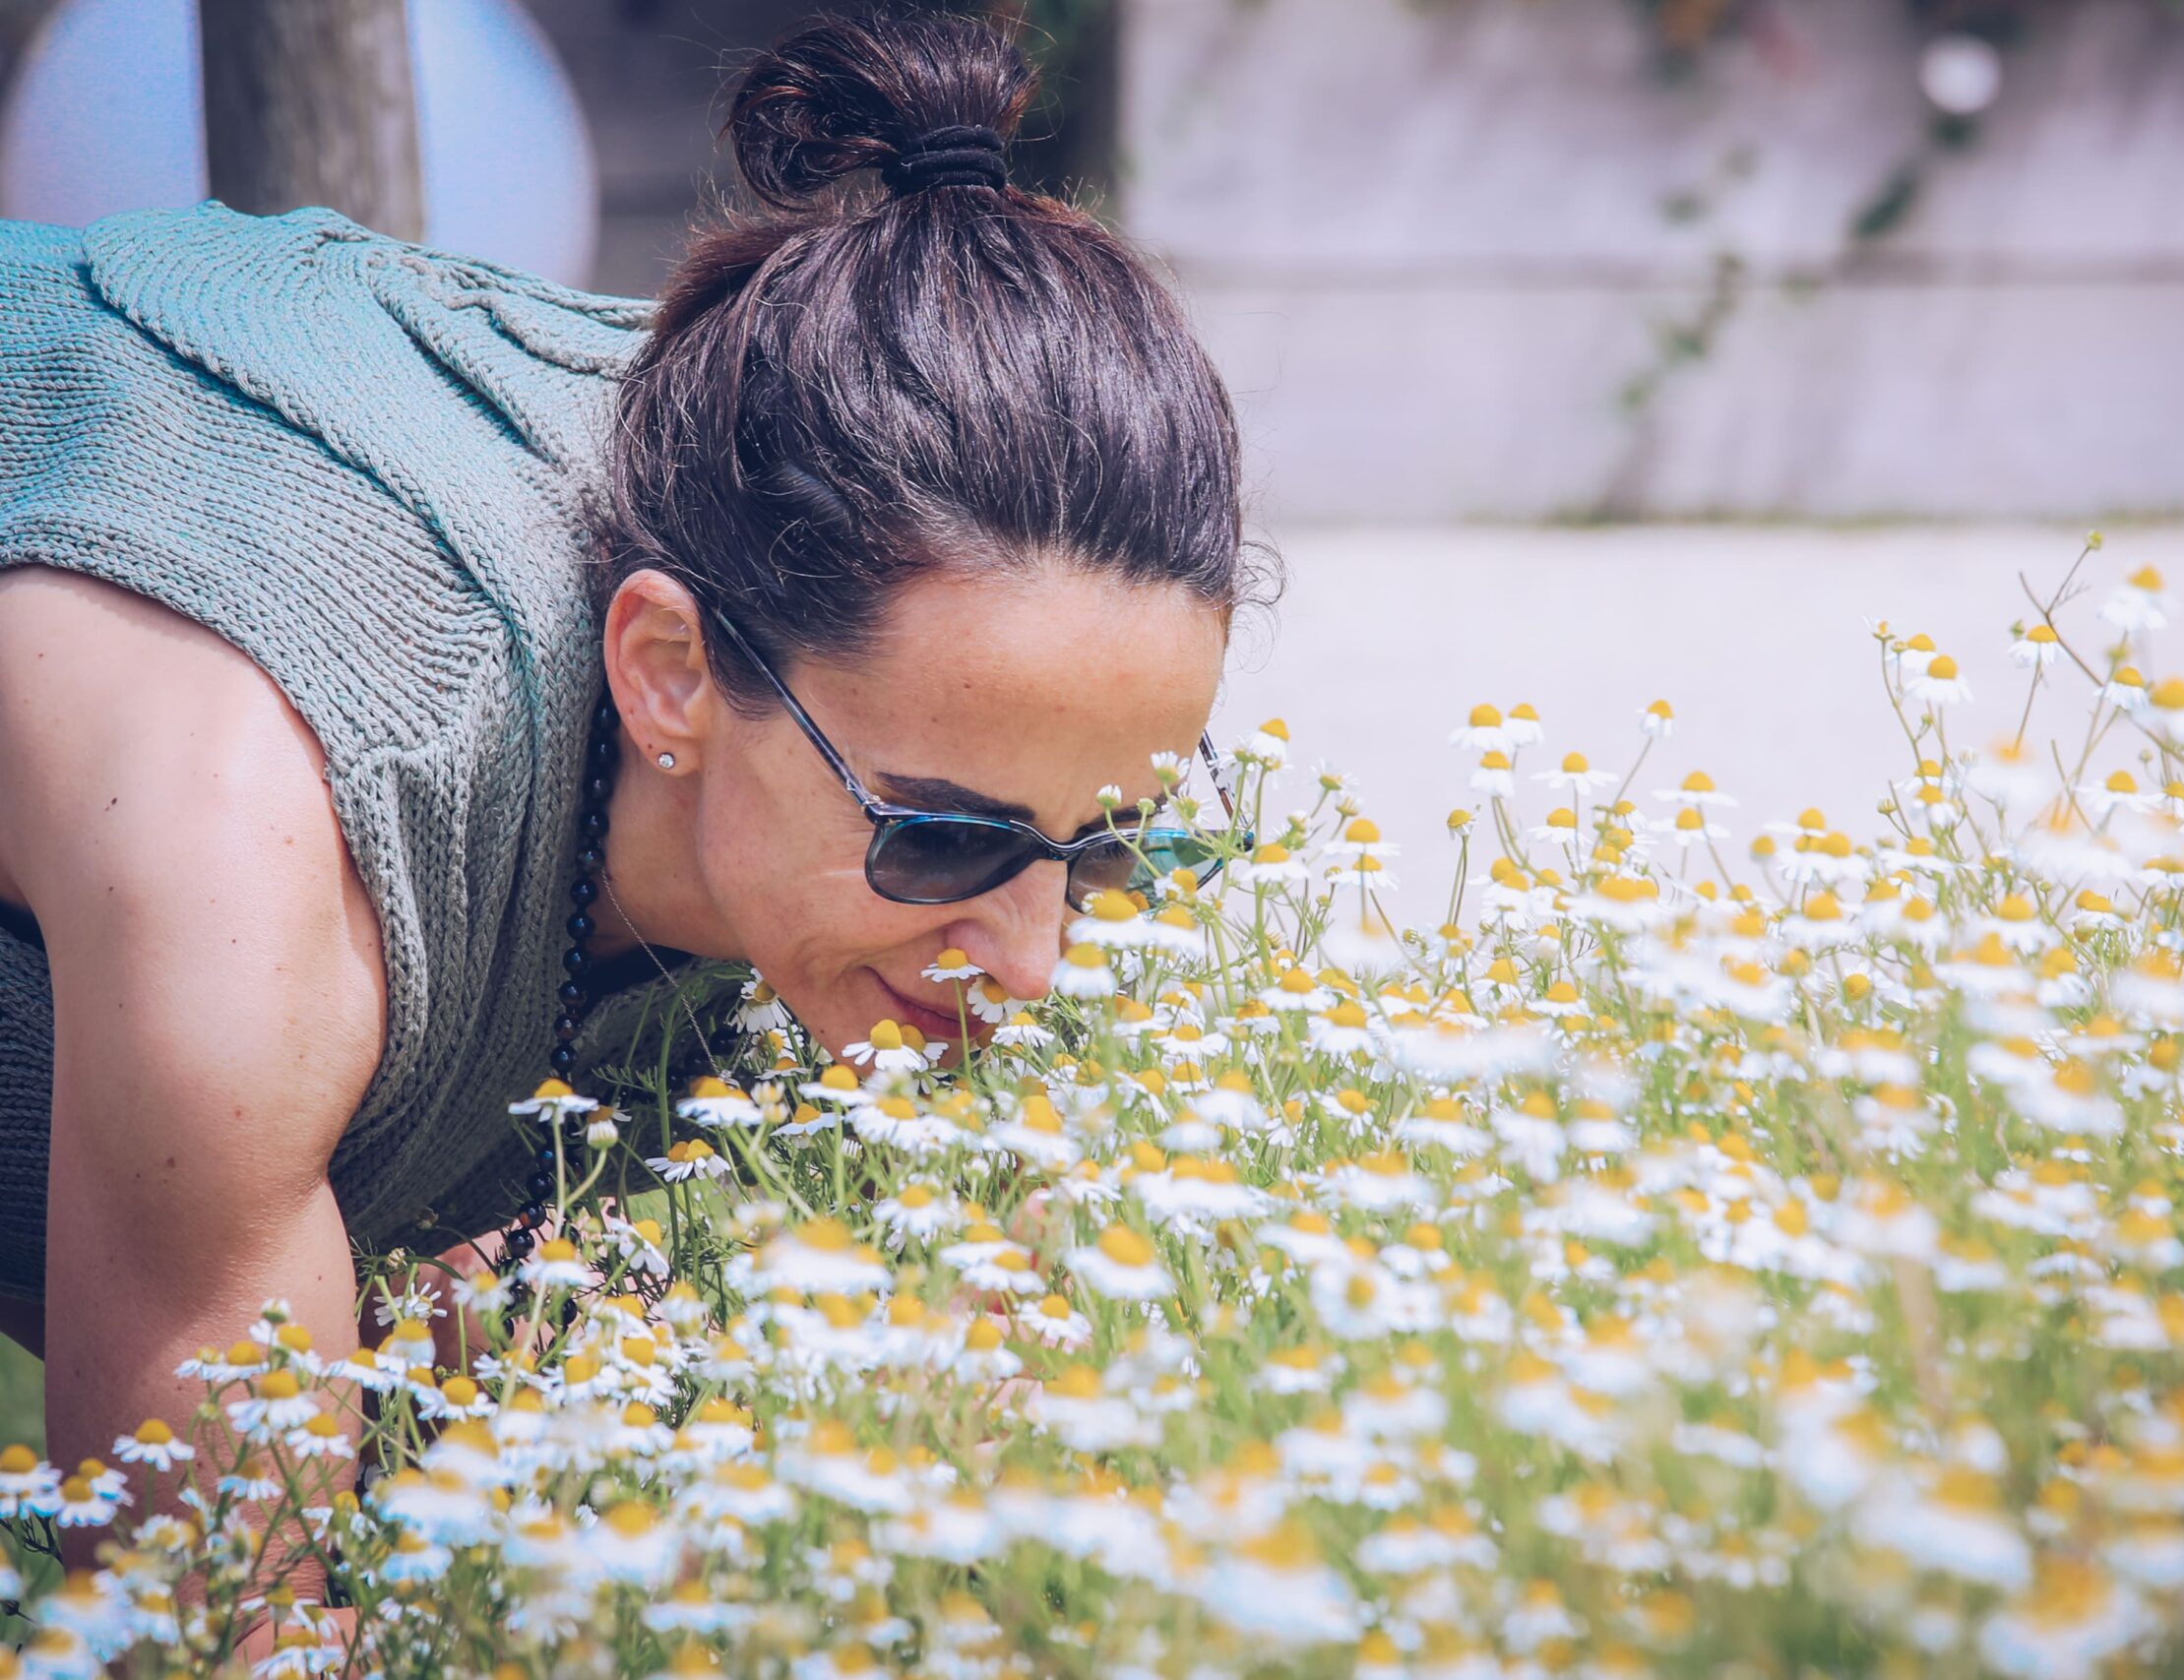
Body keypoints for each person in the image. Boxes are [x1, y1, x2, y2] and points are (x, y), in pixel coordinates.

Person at [0, 0, 1265, 1597]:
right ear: (665, 670)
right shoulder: (260, 821)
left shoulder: (835, 487)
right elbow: (202, 1614)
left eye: (1108, 853)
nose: (1033, 964)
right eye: (945, 836)